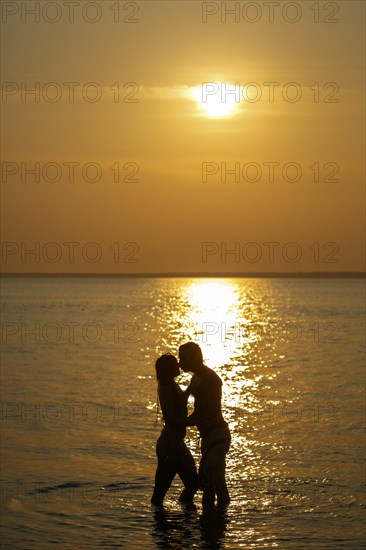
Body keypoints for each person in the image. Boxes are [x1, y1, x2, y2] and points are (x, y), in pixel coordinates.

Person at [178, 342, 231, 511]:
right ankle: (217, 523)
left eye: (183, 358)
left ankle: (210, 525)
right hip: (210, 437)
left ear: (194, 358)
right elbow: (184, 399)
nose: (180, 362)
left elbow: (204, 413)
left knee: (209, 483)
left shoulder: (209, 379)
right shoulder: (198, 377)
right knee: (217, 481)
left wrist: (180, 422)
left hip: (217, 436)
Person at [151, 353, 198, 507]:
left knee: (193, 484)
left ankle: (185, 513)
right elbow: (171, 418)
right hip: (169, 447)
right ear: (169, 369)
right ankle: (160, 526)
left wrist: (191, 386)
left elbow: (180, 401)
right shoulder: (165, 388)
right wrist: (192, 422)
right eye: (175, 364)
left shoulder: (171, 385)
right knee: (159, 494)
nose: (178, 365)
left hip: (177, 444)